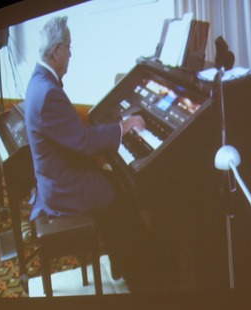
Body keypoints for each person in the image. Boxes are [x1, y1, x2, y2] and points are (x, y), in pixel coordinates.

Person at [24, 16, 170, 292]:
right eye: (68, 47)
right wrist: (121, 126)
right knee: (115, 192)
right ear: (56, 51)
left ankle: (134, 264)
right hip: (61, 186)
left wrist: (115, 128)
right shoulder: (48, 92)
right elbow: (83, 141)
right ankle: (145, 275)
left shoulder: (38, 82)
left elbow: (75, 136)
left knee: (114, 183)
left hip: (56, 176)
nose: (70, 54)